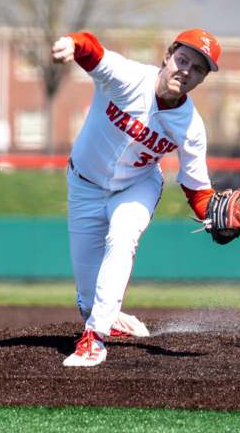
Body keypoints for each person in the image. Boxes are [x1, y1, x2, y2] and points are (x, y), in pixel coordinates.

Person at [51, 28, 222, 367]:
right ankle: (106, 317)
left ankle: (94, 339)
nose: (186, 70)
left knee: (122, 237)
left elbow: (197, 189)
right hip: (85, 185)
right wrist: (73, 44)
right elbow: (94, 53)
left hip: (137, 186)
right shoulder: (130, 79)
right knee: (87, 302)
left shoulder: (191, 127)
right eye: (183, 59)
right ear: (167, 56)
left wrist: (216, 219)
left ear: (202, 80)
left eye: (198, 68)